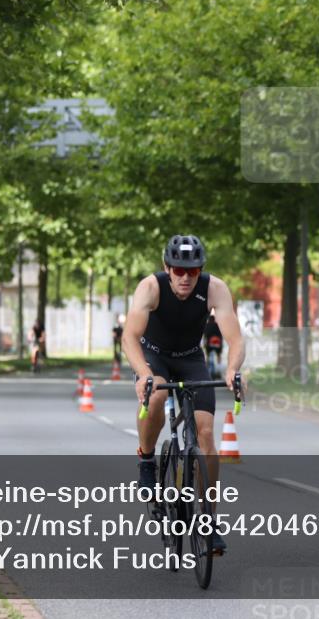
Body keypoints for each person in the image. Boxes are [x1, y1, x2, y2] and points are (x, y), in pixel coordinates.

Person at [123, 234, 247, 556]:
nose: (185, 277)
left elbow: (236, 340)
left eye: (192, 271)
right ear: (167, 267)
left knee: (206, 436)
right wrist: (144, 374)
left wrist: (233, 370)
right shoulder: (150, 288)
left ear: (201, 270)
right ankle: (147, 459)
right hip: (155, 356)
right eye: (178, 270)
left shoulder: (215, 288)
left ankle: (208, 521)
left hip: (192, 359)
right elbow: (130, 337)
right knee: (157, 397)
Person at [204, 311, 223, 380]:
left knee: (208, 357)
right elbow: (221, 335)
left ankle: (209, 372)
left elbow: (205, 336)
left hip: (209, 344)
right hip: (218, 344)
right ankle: (218, 371)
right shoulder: (218, 325)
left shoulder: (207, 325)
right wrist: (221, 345)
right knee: (218, 357)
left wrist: (205, 344)